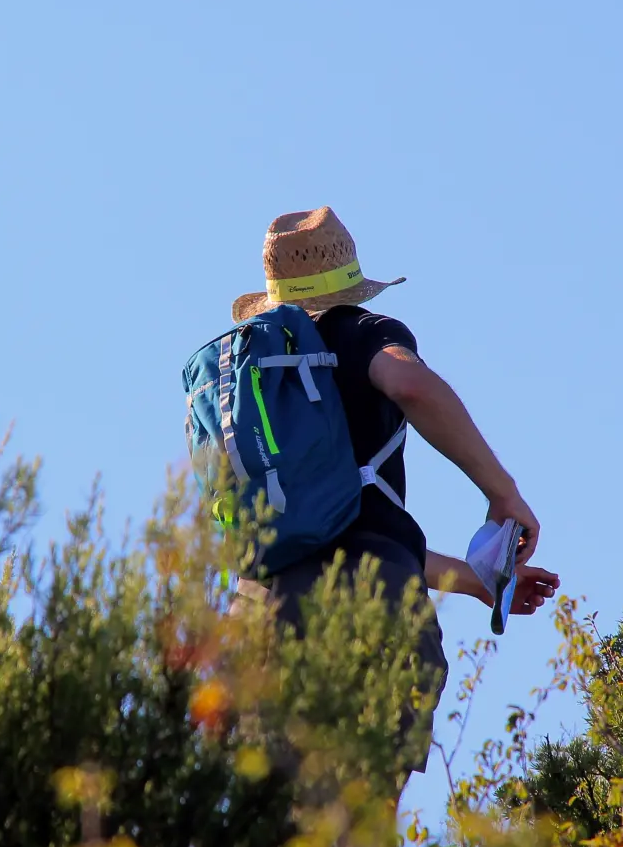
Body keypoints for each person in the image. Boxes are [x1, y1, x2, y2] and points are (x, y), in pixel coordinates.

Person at [228, 205, 560, 796]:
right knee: (361, 840)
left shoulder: (253, 380)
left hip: (258, 615)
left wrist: (477, 581)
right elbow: (409, 383)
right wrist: (502, 493)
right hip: (370, 604)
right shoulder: (356, 331)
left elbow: (341, 528)